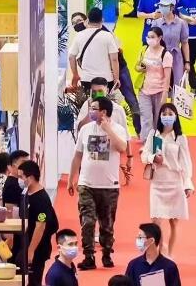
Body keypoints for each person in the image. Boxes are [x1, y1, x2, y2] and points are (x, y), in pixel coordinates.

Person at [67, 96, 128, 269]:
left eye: (94, 108)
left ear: (104, 112)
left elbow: (122, 148)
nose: (91, 112)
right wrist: (72, 179)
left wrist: (108, 130)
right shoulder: (85, 129)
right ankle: (89, 256)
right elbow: (78, 155)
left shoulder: (118, 129)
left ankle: (107, 253)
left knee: (107, 225)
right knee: (87, 221)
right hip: (86, 184)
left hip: (109, 186)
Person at [142, 104, 193, 257]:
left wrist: (187, 184)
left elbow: (186, 162)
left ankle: (170, 254)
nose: (167, 116)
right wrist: (153, 157)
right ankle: (162, 251)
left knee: (173, 222)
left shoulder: (180, 138)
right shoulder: (154, 135)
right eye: (164, 113)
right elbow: (144, 154)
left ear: (176, 117)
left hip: (175, 182)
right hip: (158, 183)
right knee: (156, 221)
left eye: (170, 113)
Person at [18, 161, 58, 286]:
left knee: (34, 281)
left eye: (21, 177)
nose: (19, 180)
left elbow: (40, 225)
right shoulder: (27, 194)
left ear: (30, 178)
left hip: (37, 249)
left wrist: (31, 251)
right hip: (25, 244)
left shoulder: (41, 199)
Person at [68, 7, 120, 91]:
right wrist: (116, 78)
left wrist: (75, 74)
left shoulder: (79, 35)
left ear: (88, 20)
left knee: (89, 99)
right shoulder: (108, 36)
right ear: (102, 20)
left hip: (86, 79)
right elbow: (114, 59)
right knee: (103, 99)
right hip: (105, 79)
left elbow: (71, 57)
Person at [135, 26, 173, 135]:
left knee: (158, 119)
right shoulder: (144, 50)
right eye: (148, 37)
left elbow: (167, 76)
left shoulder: (166, 55)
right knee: (146, 118)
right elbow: (136, 66)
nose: (150, 39)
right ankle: (146, 141)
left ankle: (157, 140)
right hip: (144, 90)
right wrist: (139, 68)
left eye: (152, 37)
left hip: (159, 91)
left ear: (160, 38)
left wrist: (165, 93)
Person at [151, 0, 191, 87]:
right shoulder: (156, 23)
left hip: (176, 57)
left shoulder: (181, 23)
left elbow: (185, 43)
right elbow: (152, 44)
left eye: (165, 6)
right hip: (160, 57)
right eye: (161, 5)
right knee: (160, 85)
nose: (162, 8)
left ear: (172, 7)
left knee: (177, 84)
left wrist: (187, 62)